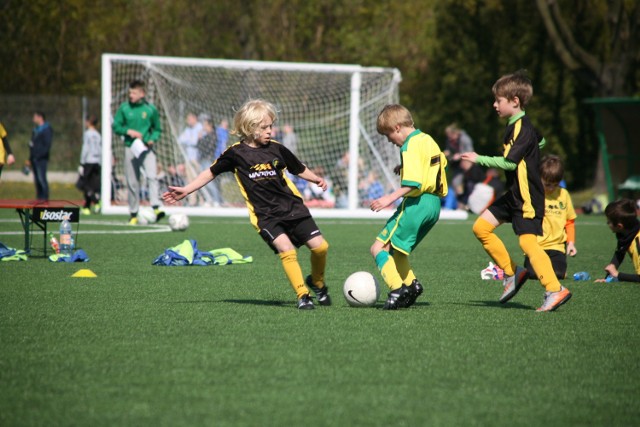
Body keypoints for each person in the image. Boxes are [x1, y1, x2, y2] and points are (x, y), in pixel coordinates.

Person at [162, 99, 331, 310]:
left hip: (293, 209)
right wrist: (187, 189)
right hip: (266, 216)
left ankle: (317, 282)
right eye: (265, 127)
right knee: (287, 250)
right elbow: (210, 172)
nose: (270, 130)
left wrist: (315, 178)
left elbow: (298, 168)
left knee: (321, 247)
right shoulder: (235, 154)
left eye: (271, 125)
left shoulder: (278, 149)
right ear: (250, 128)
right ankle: (302, 295)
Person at [461, 70, 572, 312]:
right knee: (480, 227)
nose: (494, 105)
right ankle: (512, 273)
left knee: (529, 244)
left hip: (527, 197)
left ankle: (554, 289)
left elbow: (510, 162)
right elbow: (540, 141)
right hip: (513, 195)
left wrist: (479, 158)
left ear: (514, 101)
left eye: (498, 100)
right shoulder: (519, 126)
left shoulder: (522, 127)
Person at [369, 104, 448, 310]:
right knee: (399, 251)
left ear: (397, 128)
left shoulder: (409, 145)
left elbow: (413, 184)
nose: (390, 141)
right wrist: (405, 166)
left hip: (416, 203)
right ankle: (412, 285)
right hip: (433, 206)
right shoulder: (428, 139)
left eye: (388, 136)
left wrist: (389, 198)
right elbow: (440, 164)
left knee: (378, 248)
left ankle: (397, 288)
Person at [112, 80, 165, 225]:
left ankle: (155, 207)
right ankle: (133, 213)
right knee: (132, 182)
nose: (131, 95)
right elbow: (116, 125)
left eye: (134, 92)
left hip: (147, 149)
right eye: (130, 92)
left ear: (142, 93)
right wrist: (127, 131)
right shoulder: (124, 108)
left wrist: (152, 139)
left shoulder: (150, 109)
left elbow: (157, 129)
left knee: (152, 176)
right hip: (131, 148)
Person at [523, 155, 577, 279]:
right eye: (547, 184)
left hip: (557, 247)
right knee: (531, 274)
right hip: (536, 246)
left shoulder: (564, 194)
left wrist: (571, 243)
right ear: (539, 178)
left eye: (555, 184)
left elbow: (569, 222)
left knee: (558, 274)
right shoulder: (533, 194)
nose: (552, 188)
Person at [594, 199, 640, 283]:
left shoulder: (637, 243)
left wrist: (618, 275)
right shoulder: (627, 234)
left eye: (609, 222)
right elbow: (620, 252)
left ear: (619, 226)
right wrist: (607, 278)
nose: (607, 223)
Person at [79, 115, 102, 214]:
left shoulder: (87, 134)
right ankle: (87, 207)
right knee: (91, 185)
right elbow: (100, 149)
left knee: (84, 184)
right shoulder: (98, 135)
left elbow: (85, 148)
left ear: (89, 122)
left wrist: (82, 162)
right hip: (97, 162)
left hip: (88, 161)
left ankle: (96, 201)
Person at [444, 123, 474, 197]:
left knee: (469, 184)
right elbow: (449, 149)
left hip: (467, 165)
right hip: (456, 165)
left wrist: (460, 155)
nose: (449, 138)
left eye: (450, 136)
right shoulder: (449, 140)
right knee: (455, 182)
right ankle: (459, 200)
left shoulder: (465, 139)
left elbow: (470, 152)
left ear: (454, 133)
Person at [29, 111, 53, 200]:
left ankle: (45, 200)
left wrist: (39, 155)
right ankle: (39, 199)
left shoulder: (47, 129)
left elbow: (47, 145)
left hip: (41, 159)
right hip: (34, 159)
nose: (33, 119)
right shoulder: (35, 130)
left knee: (42, 179)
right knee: (37, 181)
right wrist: (30, 158)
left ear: (40, 117)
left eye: (35, 117)